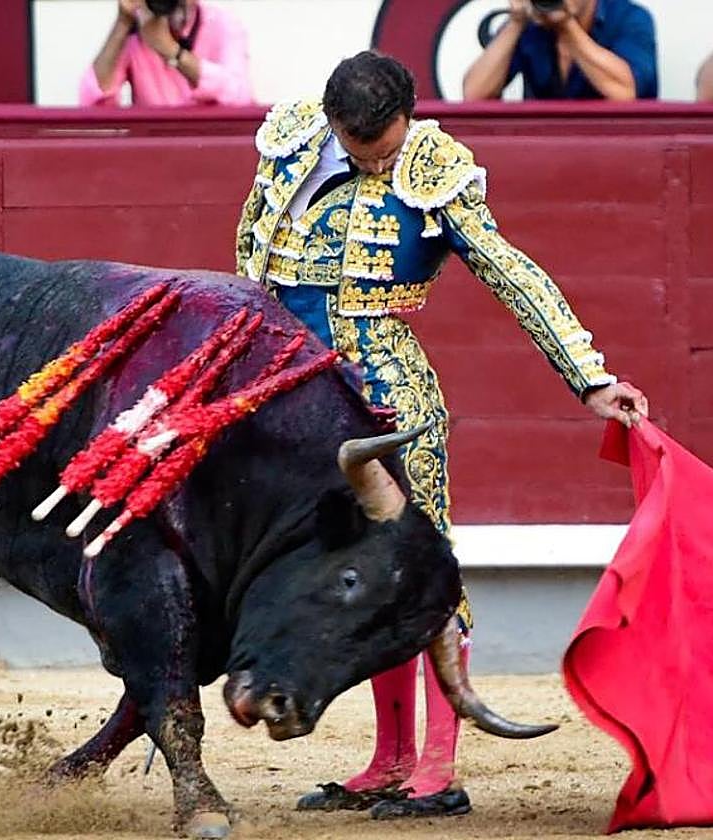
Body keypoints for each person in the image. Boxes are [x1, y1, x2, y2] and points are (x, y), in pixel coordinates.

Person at [235, 50, 647, 819]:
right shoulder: (291, 140)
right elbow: (250, 263)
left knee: (419, 567)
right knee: (348, 568)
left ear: (408, 117)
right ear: (331, 122)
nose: (377, 161)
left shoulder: (434, 166)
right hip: (296, 393)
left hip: (389, 396)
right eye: (364, 149)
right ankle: (388, 759)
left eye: (387, 147)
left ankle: (438, 765)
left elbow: (508, 269)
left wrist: (587, 376)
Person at [462, 0, 657, 101]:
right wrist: (516, 22)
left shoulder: (630, 18)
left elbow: (624, 92)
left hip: (620, 152)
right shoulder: (530, 25)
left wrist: (567, 25)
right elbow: (474, 94)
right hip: (547, 153)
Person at [79, 0, 252, 108]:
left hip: (211, 147)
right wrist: (123, 23)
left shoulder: (222, 24)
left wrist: (171, 51)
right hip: (152, 151)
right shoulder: (137, 30)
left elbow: (240, 96)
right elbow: (92, 101)